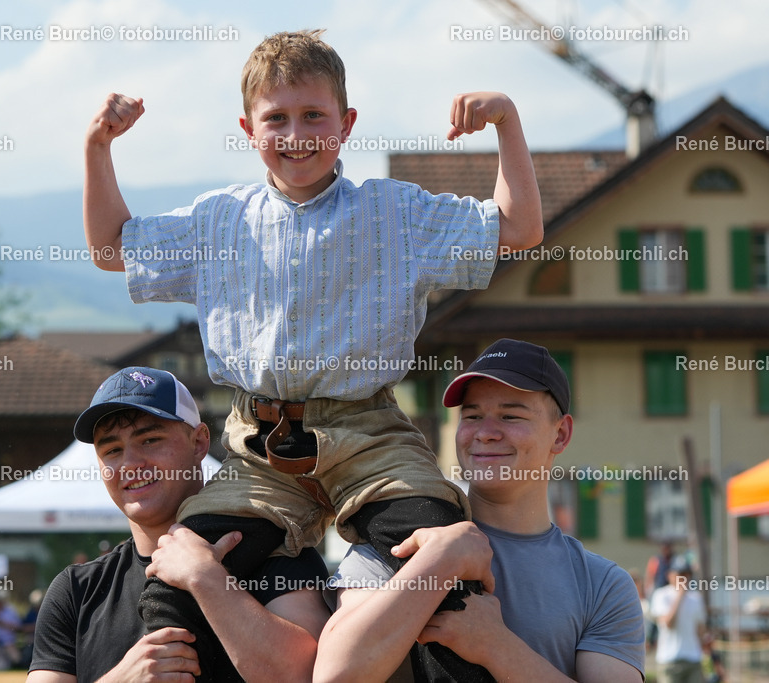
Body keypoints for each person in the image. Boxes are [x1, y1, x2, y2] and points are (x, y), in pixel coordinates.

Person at [82, 28, 542, 681]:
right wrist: (98, 146)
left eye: (313, 116)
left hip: (370, 436)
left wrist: (507, 121)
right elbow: (110, 248)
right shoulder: (219, 219)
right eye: (277, 119)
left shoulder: (395, 212)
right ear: (248, 129)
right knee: (178, 573)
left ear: (346, 124)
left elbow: (520, 227)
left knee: (436, 556)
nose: (295, 133)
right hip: (257, 448)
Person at [314, 338, 646, 682]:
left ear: (560, 434)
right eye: (472, 416)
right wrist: (443, 559)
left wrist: (496, 646)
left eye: (510, 415)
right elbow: (336, 676)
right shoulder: (402, 541)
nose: (485, 433)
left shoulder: (602, 584)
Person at [28, 366, 331, 682]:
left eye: (150, 440)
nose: (130, 464)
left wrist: (206, 579)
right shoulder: (76, 591)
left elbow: (308, 675)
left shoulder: (276, 552)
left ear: (199, 442)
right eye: (112, 450)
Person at [649, 556, 706, 683]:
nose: (684, 578)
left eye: (687, 574)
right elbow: (668, 623)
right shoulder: (661, 595)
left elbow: (700, 630)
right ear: (670, 575)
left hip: (693, 660)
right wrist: (680, 595)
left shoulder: (696, 598)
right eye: (680, 574)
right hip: (670, 660)